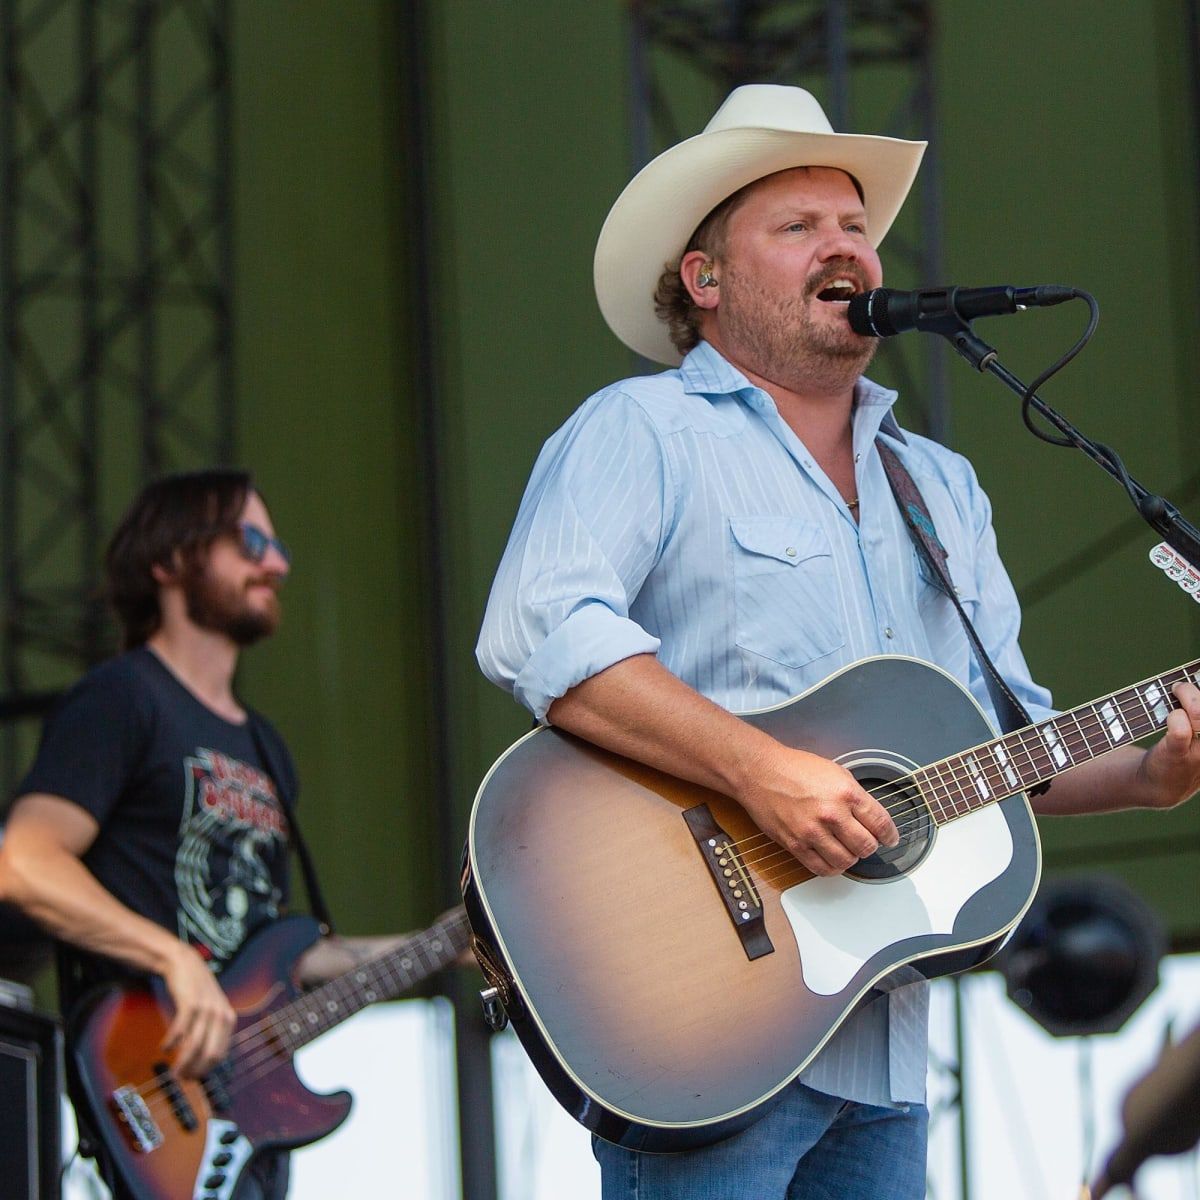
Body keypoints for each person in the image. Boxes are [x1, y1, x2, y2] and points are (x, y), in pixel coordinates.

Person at [475, 85, 1200, 1198]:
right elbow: (541, 627)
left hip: (884, 1050)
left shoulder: (941, 486)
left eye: (856, 225)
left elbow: (1006, 744)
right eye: (799, 226)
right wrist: (763, 775)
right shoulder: (643, 429)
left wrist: (1149, 774)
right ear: (703, 282)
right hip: (703, 1020)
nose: (846, 248)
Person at [0, 469, 406, 1200]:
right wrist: (171, 959)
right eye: (251, 540)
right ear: (170, 559)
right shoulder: (121, 698)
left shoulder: (267, 747)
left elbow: (283, 954)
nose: (276, 564)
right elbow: (24, 861)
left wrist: (449, 942)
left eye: (276, 546)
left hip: (244, 1125)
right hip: (147, 1084)